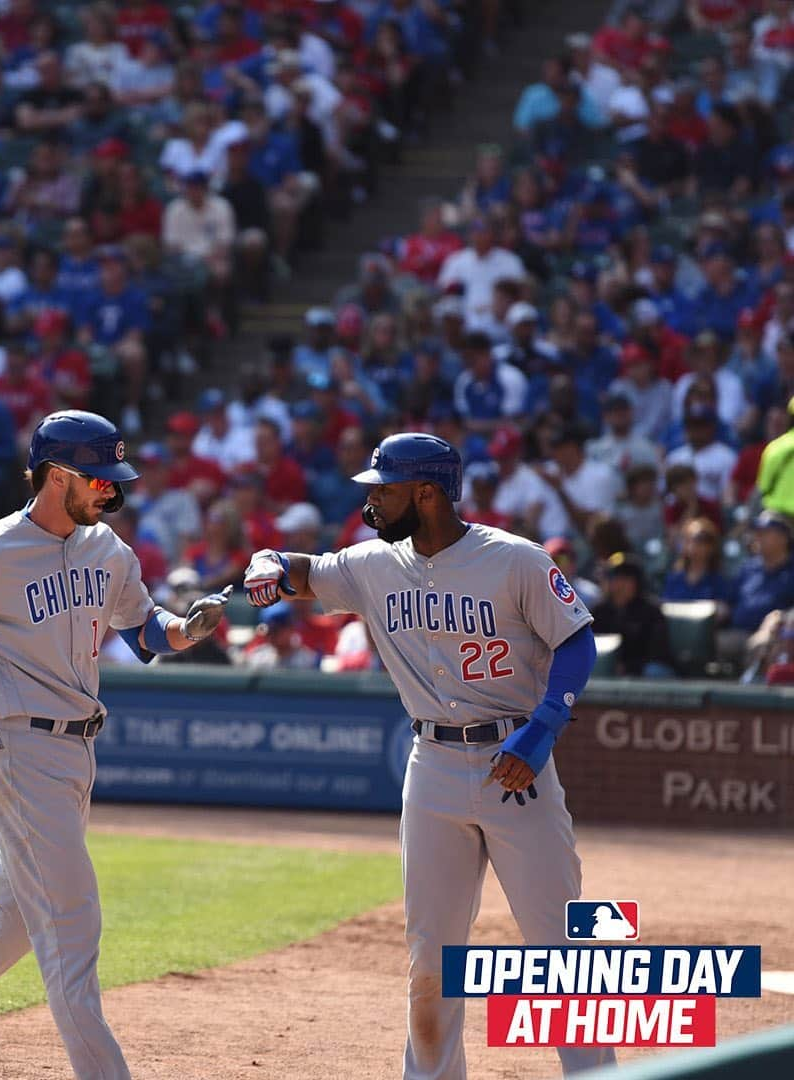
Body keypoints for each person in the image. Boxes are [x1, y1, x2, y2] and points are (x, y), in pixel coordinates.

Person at [0, 410, 232, 1080]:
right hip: (19, 749)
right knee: (74, 930)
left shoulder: (106, 550)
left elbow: (144, 630)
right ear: (56, 475)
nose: (110, 491)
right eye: (98, 479)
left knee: (18, 919)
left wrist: (186, 629)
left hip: (77, 752)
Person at [242, 432, 613, 1080]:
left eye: (382, 490)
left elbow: (577, 642)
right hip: (431, 768)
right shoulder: (374, 565)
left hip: (514, 762)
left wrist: (546, 725)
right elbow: (300, 570)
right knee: (431, 958)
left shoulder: (514, 560)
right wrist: (269, 560)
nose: (371, 503)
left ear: (426, 493)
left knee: (560, 946)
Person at [591, 552, 676, 678]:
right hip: (606, 671)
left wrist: (629, 667)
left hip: (642, 672)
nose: (621, 584)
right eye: (616, 577)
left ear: (637, 582)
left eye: (627, 578)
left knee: (654, 671)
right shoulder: (599, 611)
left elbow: (658, 654)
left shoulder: (651, 612)